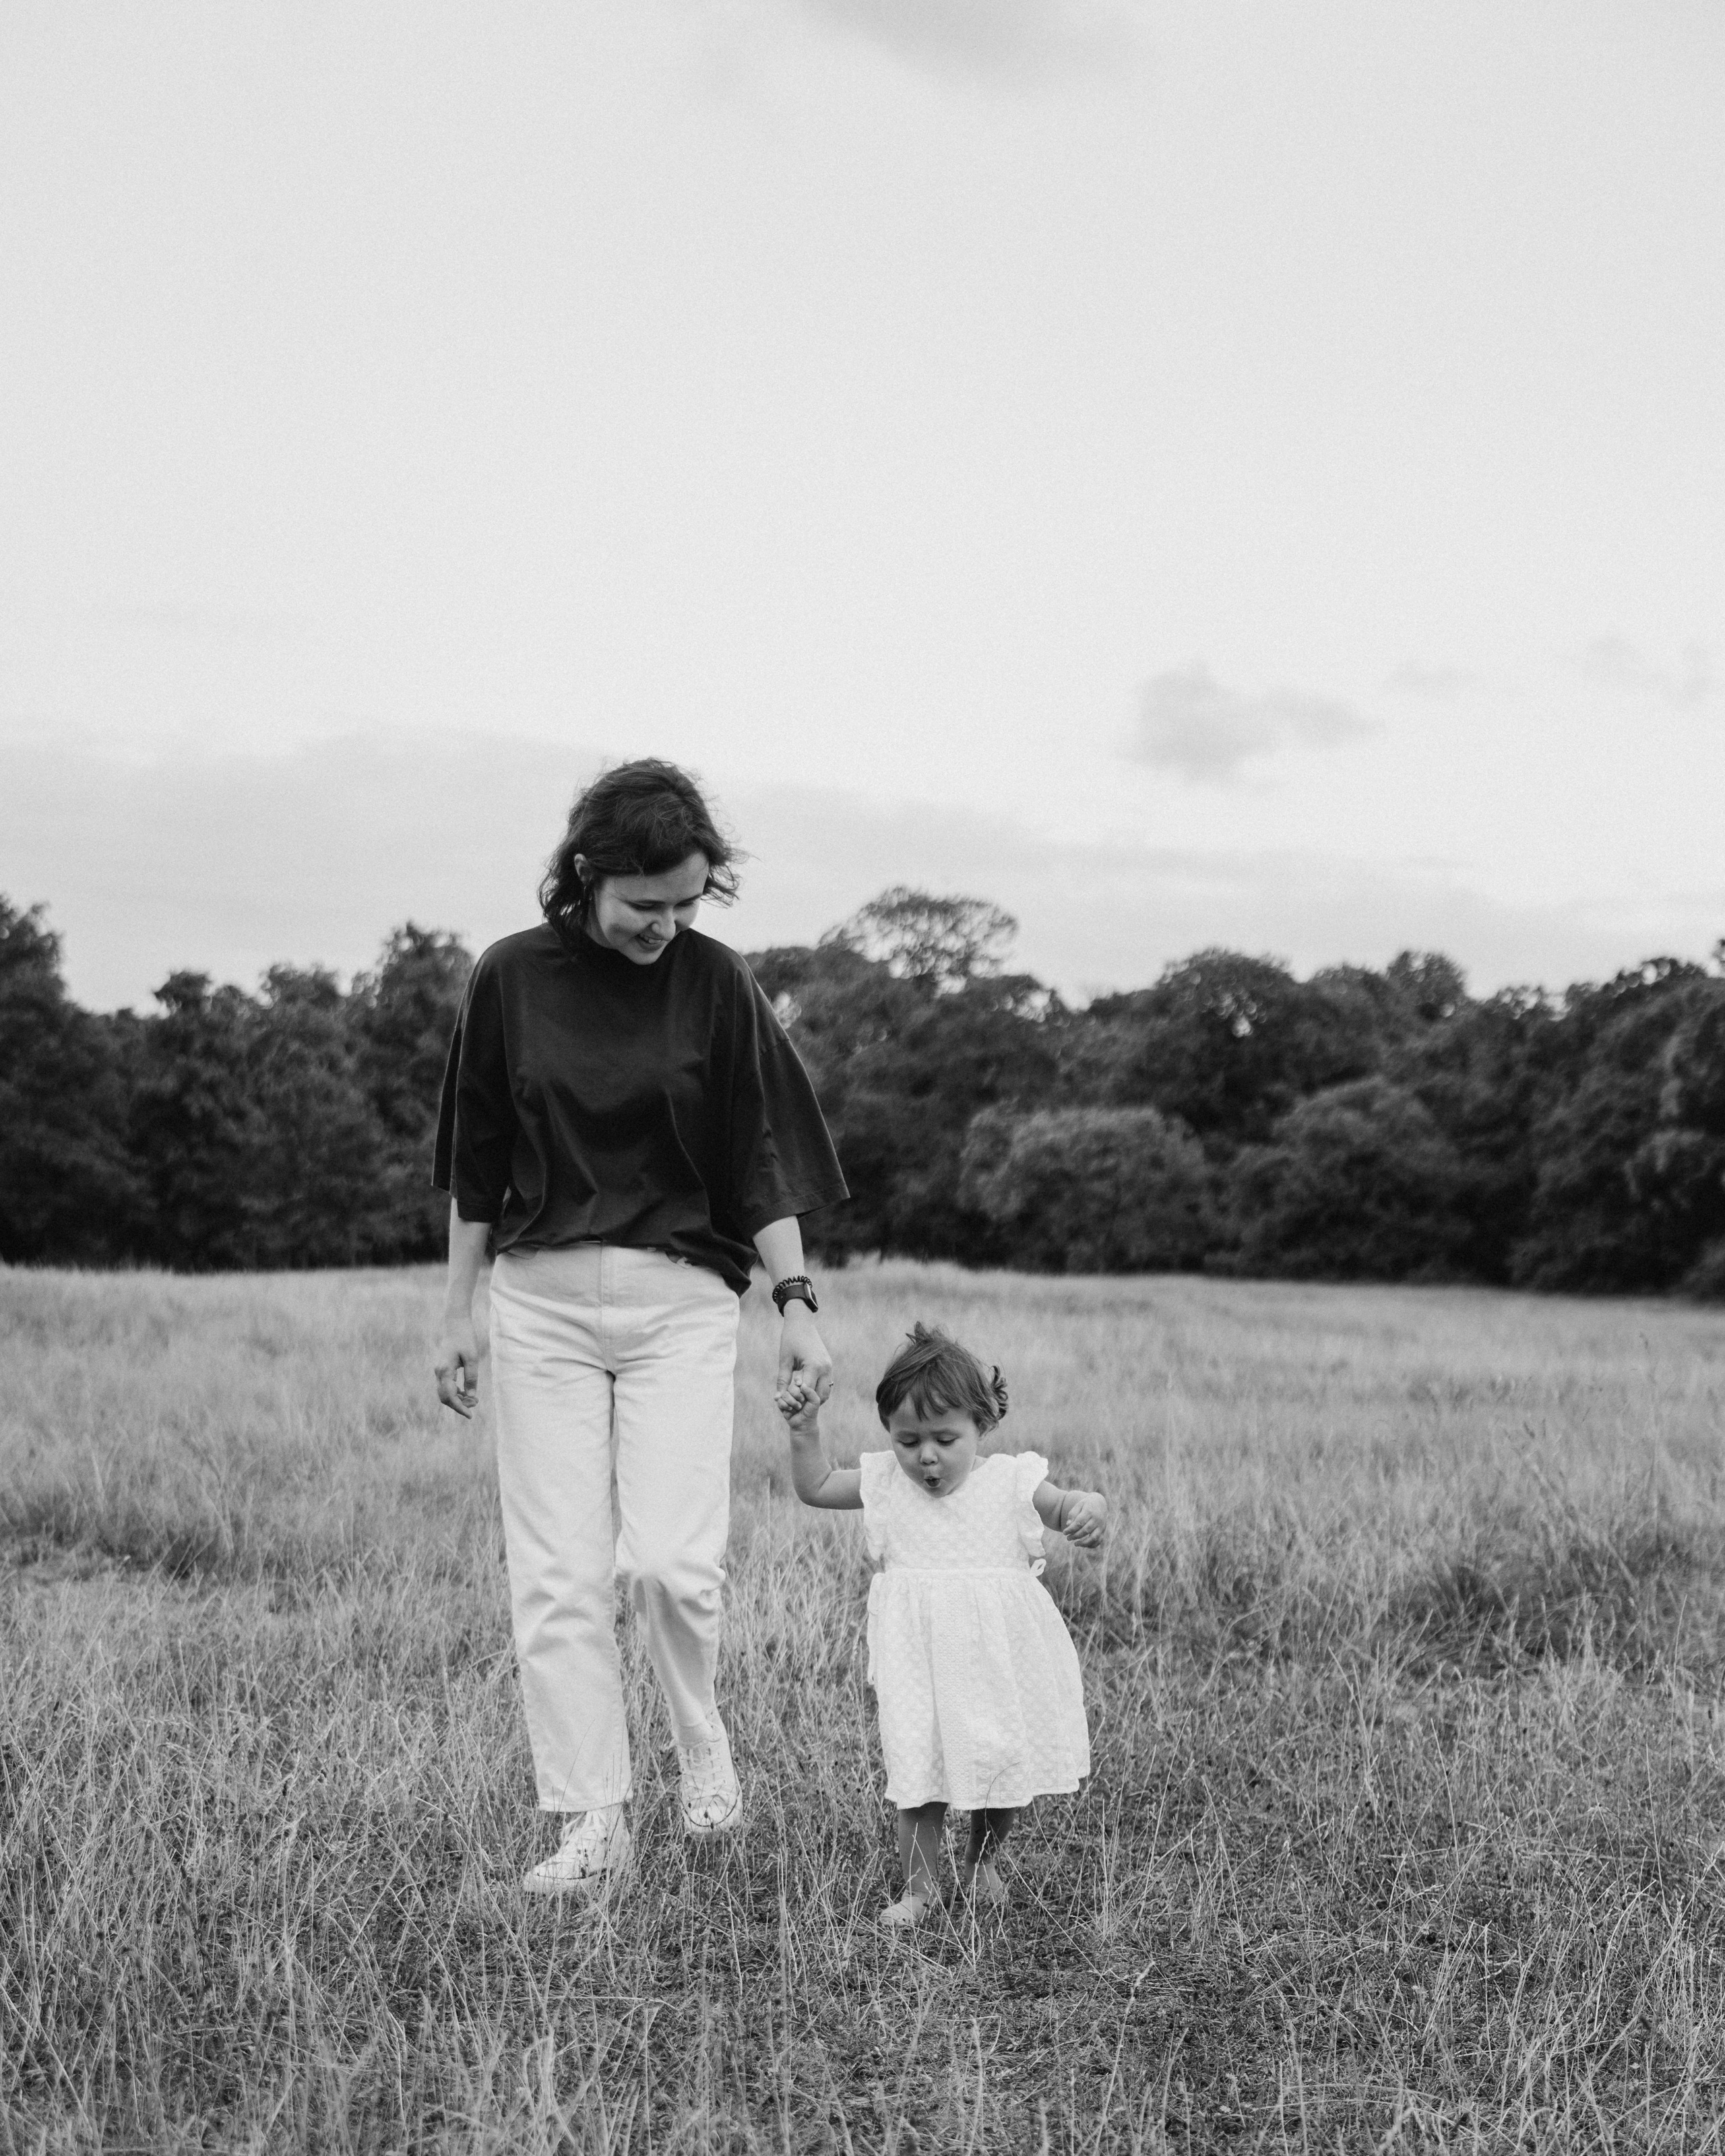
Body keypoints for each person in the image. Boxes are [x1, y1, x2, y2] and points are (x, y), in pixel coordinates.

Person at [433, 759, 848, 1896]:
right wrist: (457, 1310)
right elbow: (473, 1160)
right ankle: (592, 1822)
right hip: (541, 1302)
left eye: (688, 903)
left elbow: (758, 1152)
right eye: (645, 905)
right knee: (559, 1579)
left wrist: (797, 1306)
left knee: (672, 1564)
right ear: (587, 876)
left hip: (680, 1306)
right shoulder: (509, 977)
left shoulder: (716, 982)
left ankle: (701, 1744)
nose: (668, 925)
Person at [777, 1322, 1106, 1927]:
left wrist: (1091, 1509)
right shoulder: (885, 1483)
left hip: (995, 1658)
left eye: (946, 1439)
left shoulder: (1011, 1481)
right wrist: (804, 1429)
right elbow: (817, 1487)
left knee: (1000, 1772)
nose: (926, 1456)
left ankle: (982, 1861)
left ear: (981, 1425)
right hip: (919, 1661)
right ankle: (919, 1892)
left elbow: (1066, 1506)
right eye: (908, 1441)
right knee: (918, 1773)